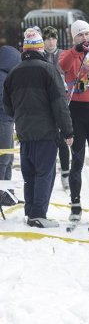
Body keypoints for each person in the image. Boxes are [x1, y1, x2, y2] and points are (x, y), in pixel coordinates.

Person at [3, 28, 73, 227]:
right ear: (41, 48)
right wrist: (68, 130)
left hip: (24, 132)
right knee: (44, 173)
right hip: (45, 132)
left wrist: (22, 118)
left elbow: (7, 107)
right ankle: (38, 215)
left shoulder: (13, 73)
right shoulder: (48, 70)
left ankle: (30, 212)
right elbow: (60, 104)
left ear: (25, 49)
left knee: (30, 174)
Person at [59, 20, 89, 226]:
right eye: (80, 35)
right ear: (74, 37)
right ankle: (75, 205)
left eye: (87, 34)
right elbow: (62, 66)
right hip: (76, 111)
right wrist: (76, 50)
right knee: (77, 160)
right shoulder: (68, 54)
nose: (85, 38)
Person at [43, 26, 71, 191]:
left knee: (63, 141)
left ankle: (65, 174)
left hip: (62, 101)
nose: (50, 41)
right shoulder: (40, 55)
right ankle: (49, 172)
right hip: (45, 103)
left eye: (53, 38)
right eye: (47, 38)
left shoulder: (64, 54)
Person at [0, 45, 21, 206]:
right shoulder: (2, 77)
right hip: (4, 121)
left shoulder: (6, 75)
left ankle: (8, 192)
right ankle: (2, 193)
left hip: (8, 120)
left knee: (8, 157)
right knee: (4, 158)